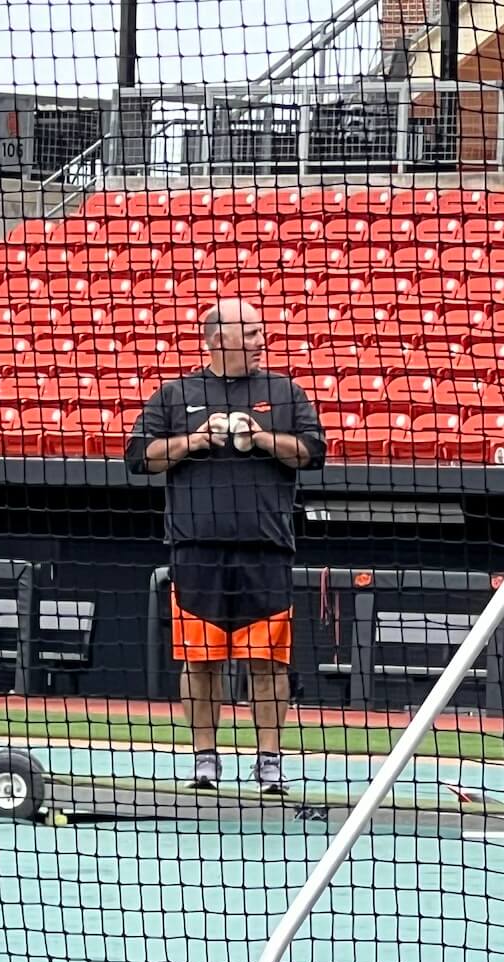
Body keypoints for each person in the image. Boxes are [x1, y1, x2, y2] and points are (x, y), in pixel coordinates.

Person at [124, 298, 327, 792]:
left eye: (260, 331)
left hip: (266, 548)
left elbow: (312, 453)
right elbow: (138, 458)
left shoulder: (284, 392)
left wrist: (262, 438)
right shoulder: (175, 395)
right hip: (196, 550)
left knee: (268, 662)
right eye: (252, 332)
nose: (262, 340)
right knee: (201, 660)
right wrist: (193, 440)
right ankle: (204, 759)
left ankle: (270, 761)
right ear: (218, 339)